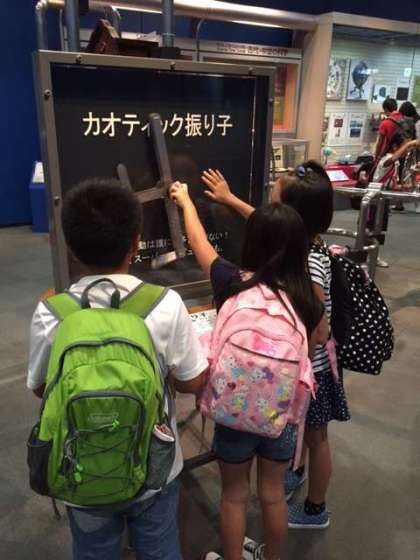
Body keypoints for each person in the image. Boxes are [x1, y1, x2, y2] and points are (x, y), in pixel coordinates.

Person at [27, 178, 208, 560]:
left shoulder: (51, 311)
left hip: (79, 468)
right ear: (136, 243)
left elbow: (41, 387)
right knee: (160, 548)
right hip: (154, 467)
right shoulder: (165, 304)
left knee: (94, 551)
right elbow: (193, 381)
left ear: (70, 247)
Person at [170, 180, 327, 560]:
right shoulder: (305, 298)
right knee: (272, 495)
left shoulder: (230, 282)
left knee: (234, 495)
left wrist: (186, 202)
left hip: (233, 412)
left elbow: (199, 243)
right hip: (280, 417)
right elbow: (309, 352)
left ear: (251, 242)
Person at [200, 164, 350, 530]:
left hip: (308, 372)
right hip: (301, 369)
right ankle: (294, 474)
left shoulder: (309, 264)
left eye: (275, 198)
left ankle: (315, 509)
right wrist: (230, 199)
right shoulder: (309, 246)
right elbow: (265, 224)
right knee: (299, 436)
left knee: (316, 437)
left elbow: (319, 329)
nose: (268, 201)